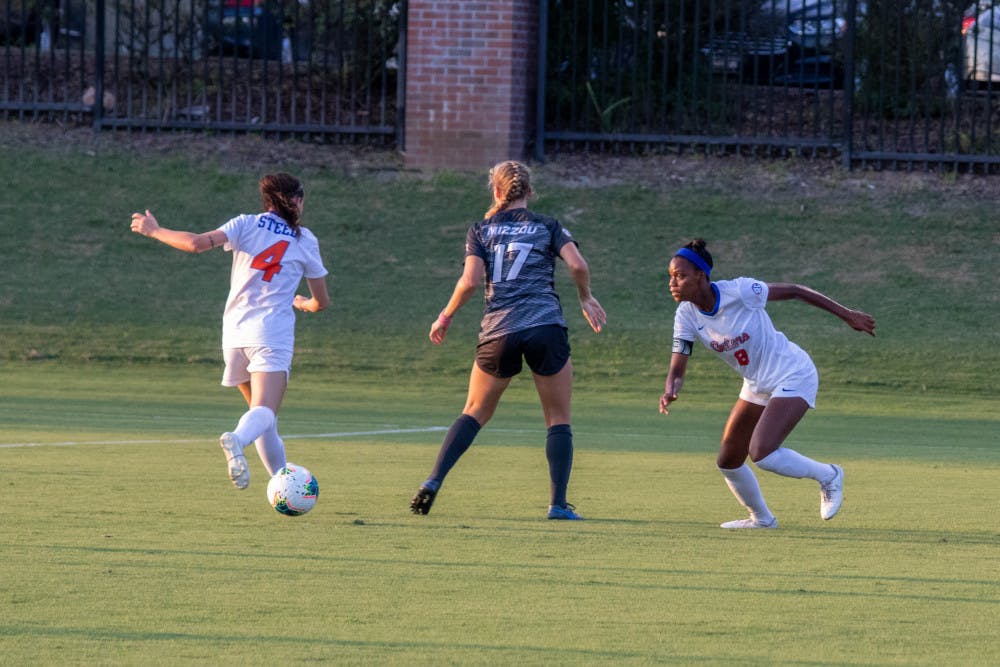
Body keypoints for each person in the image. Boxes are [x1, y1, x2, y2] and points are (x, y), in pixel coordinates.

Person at [410, 160, 607, 520]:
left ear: (497, 191)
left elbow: (470, 281)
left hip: (499, 330)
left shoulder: (480, 230)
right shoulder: (548, 226)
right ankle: (558, 505)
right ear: (529, 192)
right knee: (558, 417)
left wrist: (445, 316)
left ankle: (434, 479)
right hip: (545, 326)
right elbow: (578, 265)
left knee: (474, 411)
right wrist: (585, 297)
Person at [129, 172, 329, 491]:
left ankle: (283, 485)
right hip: (270, 335)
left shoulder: (245, 223)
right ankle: (235, 438)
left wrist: (154, 230)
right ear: (296, 200)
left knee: (263, 419)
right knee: (264, 412)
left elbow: (195, 244)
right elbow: (322, 300)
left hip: (234, 336)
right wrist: (306, 304)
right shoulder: (304, 239)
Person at [660, 239, 875, 528]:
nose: (673, 283)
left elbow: (796, 291)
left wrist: (847, 315)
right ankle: (762, 519)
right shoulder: (686, 315)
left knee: (761, 452)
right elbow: (679, 360)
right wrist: (671, 389)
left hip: (793, 372)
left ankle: (829, 475)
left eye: (680, 275)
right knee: (728, 461)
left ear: (701, 276)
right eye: (671, 276)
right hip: (757, 384)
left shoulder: (740, 291)